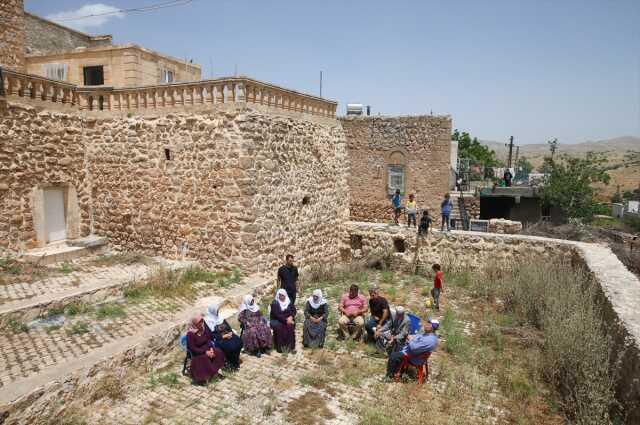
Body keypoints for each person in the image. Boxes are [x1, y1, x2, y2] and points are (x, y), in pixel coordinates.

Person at [186, 314, 225, 385]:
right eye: (199, 322)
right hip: (198, 352)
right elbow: (192, 348)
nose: (201, 324)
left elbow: (208, 340)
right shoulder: (190, 334)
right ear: (195, 323)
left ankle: (217, 370)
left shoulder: (203, 329)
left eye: (202, 321)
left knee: (218, 352)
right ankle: (208, 376)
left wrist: (211, 348)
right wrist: (205, 352)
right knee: (205, 358)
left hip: (207, 348)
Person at [204, 303, 243, 370]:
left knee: (239, 342)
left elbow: (228, 327)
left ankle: (235, 359)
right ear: (212, 311)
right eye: (216, 311)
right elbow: (210, 335)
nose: (217, 312)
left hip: (227, 335)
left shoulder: (220, 317)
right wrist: (223, 336)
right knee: (231, 347)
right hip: (218, 339)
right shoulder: (207, 321)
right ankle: (230, 362)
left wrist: (230, 333)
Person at [270, 289, 297, 353]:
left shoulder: (288, 301)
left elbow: (294, 311)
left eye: (283, 295)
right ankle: (281, 348)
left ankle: (290, 347)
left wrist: (291, 317)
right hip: (277, 320)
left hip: (288, 319)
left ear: (285, 295)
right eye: (280, 295)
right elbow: (277, 315)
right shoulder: (275, 303)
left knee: (290, 327)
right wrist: (286, 320)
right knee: (280, 328)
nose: (281, 297)